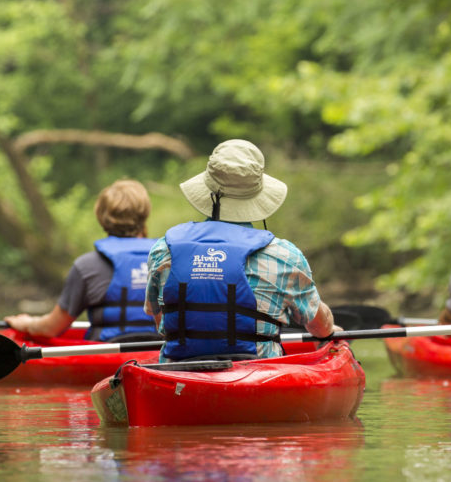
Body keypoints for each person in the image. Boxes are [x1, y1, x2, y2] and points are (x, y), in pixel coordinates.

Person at [143, 139, 338, 362]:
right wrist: (331, 327)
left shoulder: (163, 250)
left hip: (178, 375)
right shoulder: (285, 257)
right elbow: (320, 328)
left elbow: (161, 322)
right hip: (258, 375)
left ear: (208, 190)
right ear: (258, 195)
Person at [4, 179, 160, 341]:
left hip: (107, 357)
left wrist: (28, 323)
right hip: (159, 355)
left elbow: (51, 328)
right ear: (145, 214)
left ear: (101, 216)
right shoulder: (168, 259)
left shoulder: (87, 267)